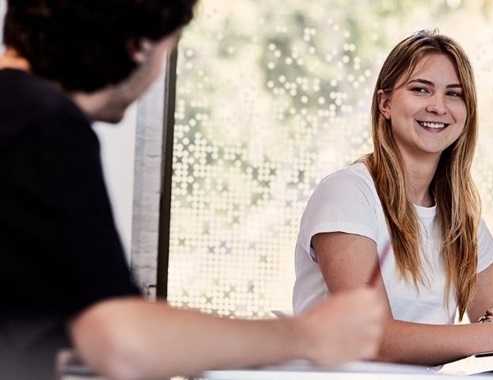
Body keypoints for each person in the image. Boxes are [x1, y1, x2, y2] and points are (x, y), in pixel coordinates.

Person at [0, 1, 386, 379]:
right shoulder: (41, 126)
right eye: (172, 44)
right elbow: (122, 340)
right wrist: (309, 335)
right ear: (138, 46)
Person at [292, 29, 493, 379]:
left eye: (454, 94)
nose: (438, 106)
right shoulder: (348, 193)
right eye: (421, 89)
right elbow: (370, 339)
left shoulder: (460, 216)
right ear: (385, 103)